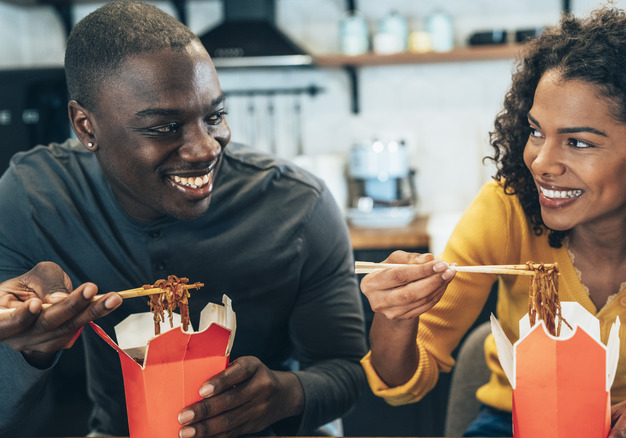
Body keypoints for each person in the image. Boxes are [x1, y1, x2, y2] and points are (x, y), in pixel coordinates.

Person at [359, 8, 626, 438]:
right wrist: (395, 317)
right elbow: (400, 388)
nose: (540, 162)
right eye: (537, 131)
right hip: (512, 422)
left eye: (577, 142)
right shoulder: (507, 211)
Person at [0, 2, 366, 437]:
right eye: (165, 127)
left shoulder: (298, 206)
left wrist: (285, 393)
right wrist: (29, 352)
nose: (206, 149)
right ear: (85, 127)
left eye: (214, 116)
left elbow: (347, 371)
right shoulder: (33, 199)